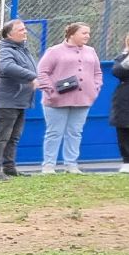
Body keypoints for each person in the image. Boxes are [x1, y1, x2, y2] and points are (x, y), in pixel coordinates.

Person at [36, 21, 102, 174]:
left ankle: (71, 165)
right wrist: (51, 91)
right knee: (54, 132)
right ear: (72, 34)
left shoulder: (91, 51)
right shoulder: (54, 51)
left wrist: (95, 88)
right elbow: (42, 72)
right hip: (56, 100)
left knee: (75, 132)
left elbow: (97, 72)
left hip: (83, 99)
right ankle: (49, 165)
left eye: (88, 33)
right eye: (84, 33)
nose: (88, 36)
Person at [0, 20, 39, 180]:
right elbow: (6, 66)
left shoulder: (22, 49)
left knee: (14, 137)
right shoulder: (5, 49)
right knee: (1, 137)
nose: (25, 32)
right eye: (21, 29)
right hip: (7, 100)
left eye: (25, 29)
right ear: (9, 34)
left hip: (20, 100)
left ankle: (9, 168)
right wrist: (31, 77)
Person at [110, 30, 129, 174]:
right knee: (124, 127)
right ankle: (127, 161)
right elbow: (117, 71)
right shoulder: (122, 57)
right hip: (125, 96)